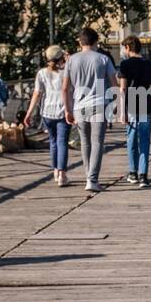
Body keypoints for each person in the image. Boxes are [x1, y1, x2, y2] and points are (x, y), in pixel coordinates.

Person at [61, 27, 118, 193]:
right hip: (100, 103)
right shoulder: (103, 59)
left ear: (80, 42)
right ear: (96, 41)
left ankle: (88, 176)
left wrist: (67, 110)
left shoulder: (71, 60)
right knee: (97, 142)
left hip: (79, 105)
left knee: (84, 142)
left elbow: (65, 88)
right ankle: (92, 180)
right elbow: (114, 84)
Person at [116, 36, 151, 188]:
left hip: (131, 105)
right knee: (145, 141)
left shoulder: (125, 65)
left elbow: (122, 88)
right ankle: (143, 175)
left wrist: (122, 111)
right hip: (146, 105)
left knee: (132, 140)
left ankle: (133, 172)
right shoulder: (149, 64)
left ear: (128, 48)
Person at [25, 46, 70, 186]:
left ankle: (55, 171)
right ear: (60, 57)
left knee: (53, 141)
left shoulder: (42, 73)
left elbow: (37, 94)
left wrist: (29, 113)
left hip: (47, 112)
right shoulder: (66, 72)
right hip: (63, 110)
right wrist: (69, 60)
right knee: (62, 142)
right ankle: (62, 174)